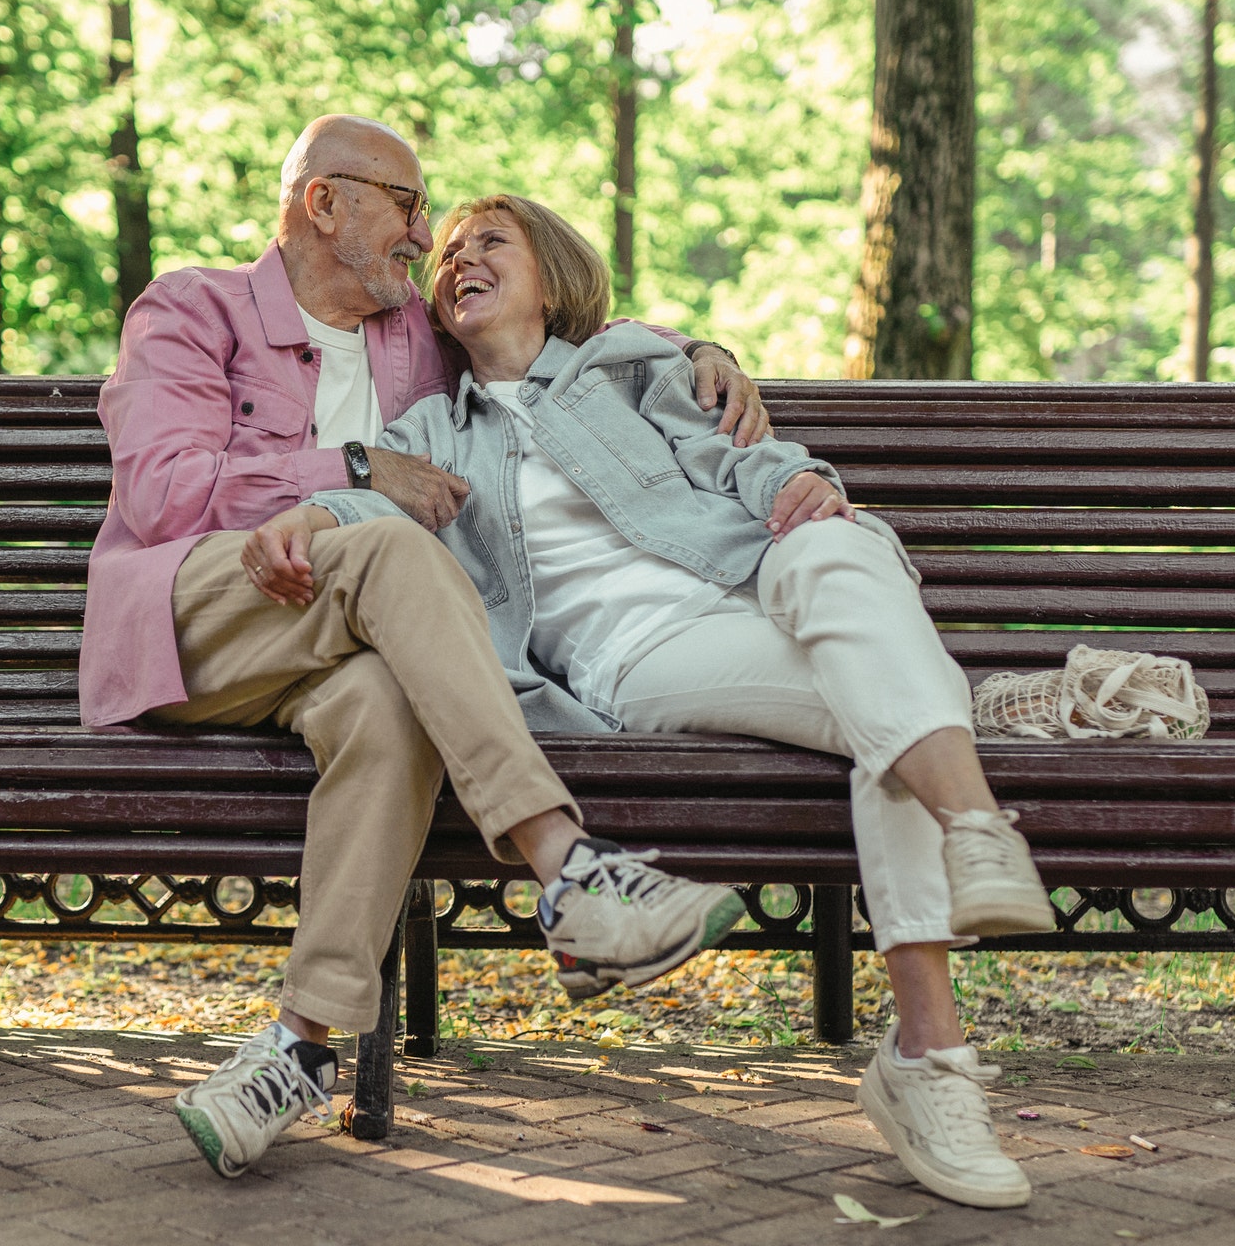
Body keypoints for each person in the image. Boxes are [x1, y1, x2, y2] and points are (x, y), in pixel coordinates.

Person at [243, 194, 1058, 1210]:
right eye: (447, 253)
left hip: (763, 585)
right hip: (648, 658)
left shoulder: (633, 372)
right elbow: (372, 500)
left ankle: (972, 843)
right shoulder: (431, 430)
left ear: (553, 274)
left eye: (491, 242)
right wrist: (314, 511)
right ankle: (937, 1024)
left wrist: (803, 483)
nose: (460, 261)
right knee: (891, 703)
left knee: (846, 547)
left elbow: (743, 459)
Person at [80, 119, 768, 1180]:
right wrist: (350, 467)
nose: (423, 235)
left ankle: (294, 1051)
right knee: (391, 544)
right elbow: (162, 493)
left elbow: (559, 328)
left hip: (332, 635)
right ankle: (569, 869)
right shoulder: (193, 307)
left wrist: (696, 351)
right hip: (200, 621)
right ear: (325, 202)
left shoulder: (414, 331)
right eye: (407, 207)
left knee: (392, 709)